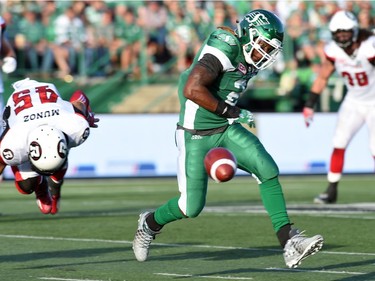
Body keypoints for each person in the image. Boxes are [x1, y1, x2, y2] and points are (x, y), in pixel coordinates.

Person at [132, 9, 324, 269]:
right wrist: (232, 111)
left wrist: (229, 115)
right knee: (190, 206)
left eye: (270, 49)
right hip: (195, 133)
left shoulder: (248, 54)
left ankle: (289, 241)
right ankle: (149, 223)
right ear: (249, 35)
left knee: (267, 168)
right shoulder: (225, 46)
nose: (264, 54)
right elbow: (191, 88)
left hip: (224, 126)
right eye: (262, 46)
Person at [303, 10, 375, 204]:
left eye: (346, 32)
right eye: (338, 33)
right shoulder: (333, 50)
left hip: (374, 102)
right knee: (339, 142)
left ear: (354, 31)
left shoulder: (369, 46)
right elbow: (323, 76)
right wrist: (310, 104)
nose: (342, 36)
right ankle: (331, 190)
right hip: (353, 100)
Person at [0, 78, 99, 214]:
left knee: (56, 161)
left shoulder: (76, 127)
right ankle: (40, 187)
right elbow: (79, 96)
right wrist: (86, 115)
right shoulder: (14, 143)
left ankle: (55, 192)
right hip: (20, 118)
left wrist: (86, 114)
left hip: (50, 113)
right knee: (26, 187)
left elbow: (80, 96)